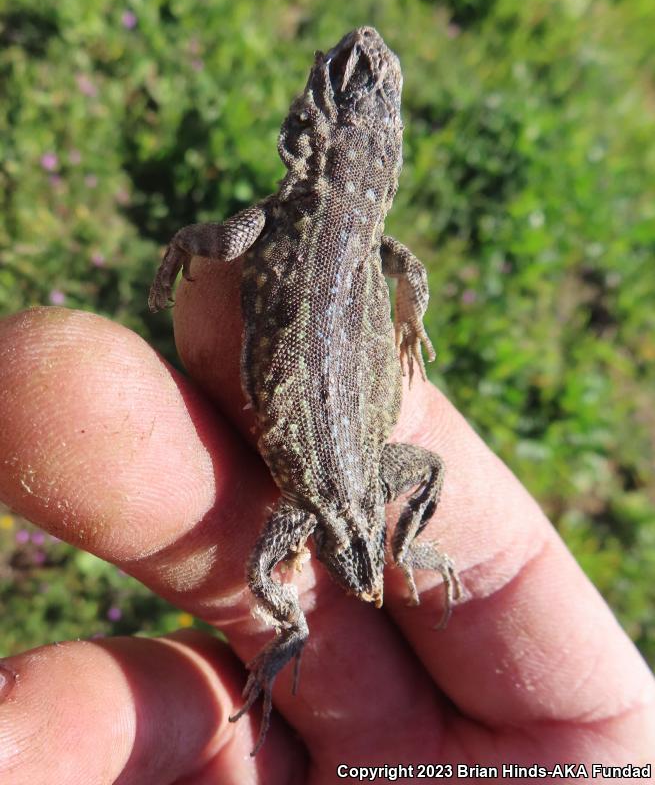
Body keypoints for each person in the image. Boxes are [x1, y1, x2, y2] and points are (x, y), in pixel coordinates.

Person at [0, 263, 653, 782]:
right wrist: (311, 607)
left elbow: (418, 467)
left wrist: (385, 561)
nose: (364, 583)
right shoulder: (304, 508)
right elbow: (266, 561)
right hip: (333, 421)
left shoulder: (318, 504)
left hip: (339, 431)